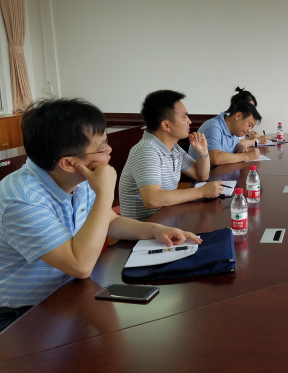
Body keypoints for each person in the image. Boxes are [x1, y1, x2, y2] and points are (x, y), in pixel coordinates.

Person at [0, 98, 202, 332]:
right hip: (23, 315)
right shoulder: (21, 198)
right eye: (102, 147)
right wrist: (105, 191)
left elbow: (110, 221)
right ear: (69, 163)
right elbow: (80, 265)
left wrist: (155, 230)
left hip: (67, 293)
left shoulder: (77, 176)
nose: (110, 150)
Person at [120, 90, 224, 221]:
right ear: (166, 125)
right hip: (144, 228)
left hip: (165, 220)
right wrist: (201, 192)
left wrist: (203, 152)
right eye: (184, 117)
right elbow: (152, 199)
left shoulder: (174, 148)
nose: (190, 121)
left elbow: (201, 175)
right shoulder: (146, 151)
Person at [189, 101, 267, 165]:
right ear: (238, 116)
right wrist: (246, 156)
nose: (249, 130)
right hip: (207, 177)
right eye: (249, 125)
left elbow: (232, 146)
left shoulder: (234, 129)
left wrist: (240, 147)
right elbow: (215, 158)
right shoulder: (214, 127)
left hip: (221, 172)